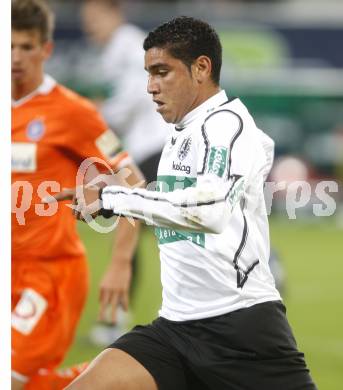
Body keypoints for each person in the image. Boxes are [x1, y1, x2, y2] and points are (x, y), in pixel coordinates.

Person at [60, 16, 317, 390]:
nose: (150, 86)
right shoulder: (181, 133)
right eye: (148, 74)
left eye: (162, 72)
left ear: (201, 68)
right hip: (175, 329)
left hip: (240, 331)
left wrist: (113, 197)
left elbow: (206, 212)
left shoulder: (227, 127)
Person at [11, 1, 143, 389]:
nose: (16, 57)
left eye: (26, 46)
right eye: (9, 46)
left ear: (46, 50)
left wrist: (121, 263)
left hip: (49, 275)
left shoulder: (71, 113)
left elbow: (131, 178)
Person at [80, 0, 171, 344]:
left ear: (114, 13)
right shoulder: (117, 49)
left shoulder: (128, 45)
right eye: (86, 20)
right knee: (144, 230)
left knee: (132, 229)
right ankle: (116, 317)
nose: (90, 26)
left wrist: (99, 113)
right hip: (146, 149)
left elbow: (136, 95)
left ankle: (115, 319)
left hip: (154, 149)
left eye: (95, 18)